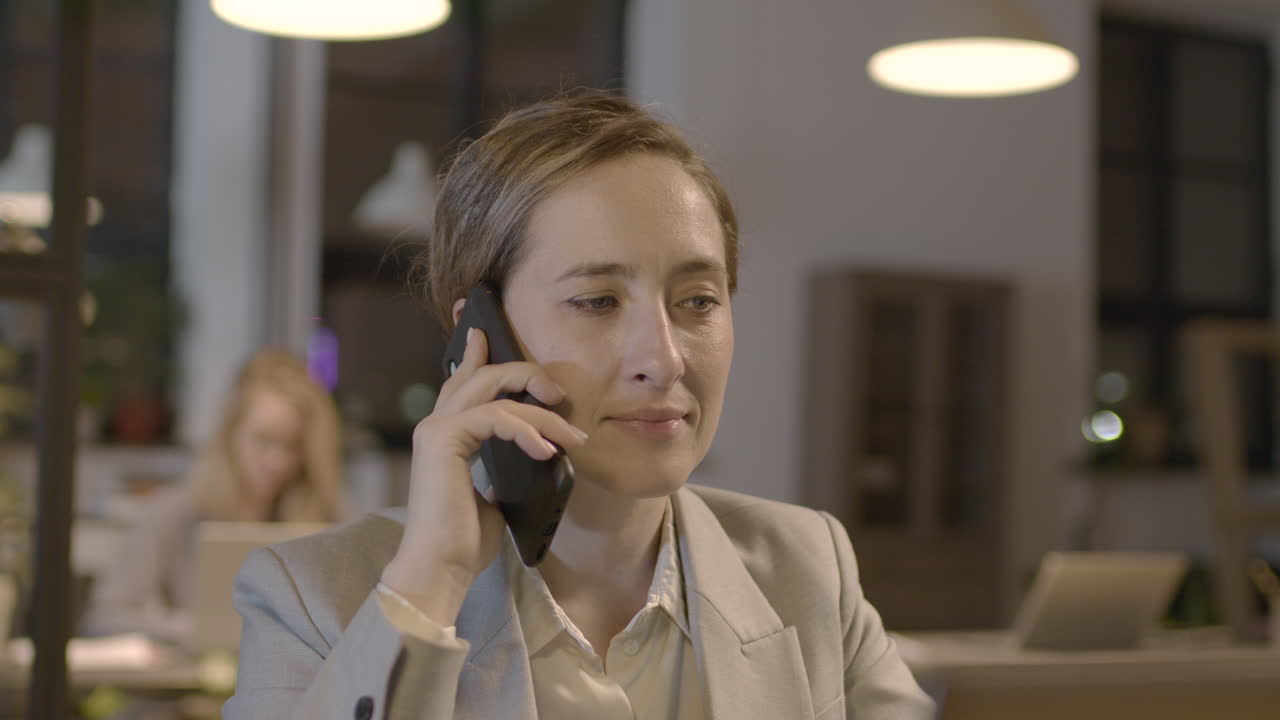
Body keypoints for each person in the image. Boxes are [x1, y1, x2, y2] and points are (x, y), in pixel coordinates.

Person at [225, 91, 935, 719]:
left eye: (697, 301)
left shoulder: (806, 569)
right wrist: (430, 586)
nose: (664, 358)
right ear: (480, 334)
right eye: (597, 301)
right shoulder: (311, 599)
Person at [81, 348, 348, 642]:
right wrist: (190, 629)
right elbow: (103, 618)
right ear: (230, 432)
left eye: (292, 445)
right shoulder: (173, 512)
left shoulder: (328, 517)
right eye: (264, 440)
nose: (278, 461)